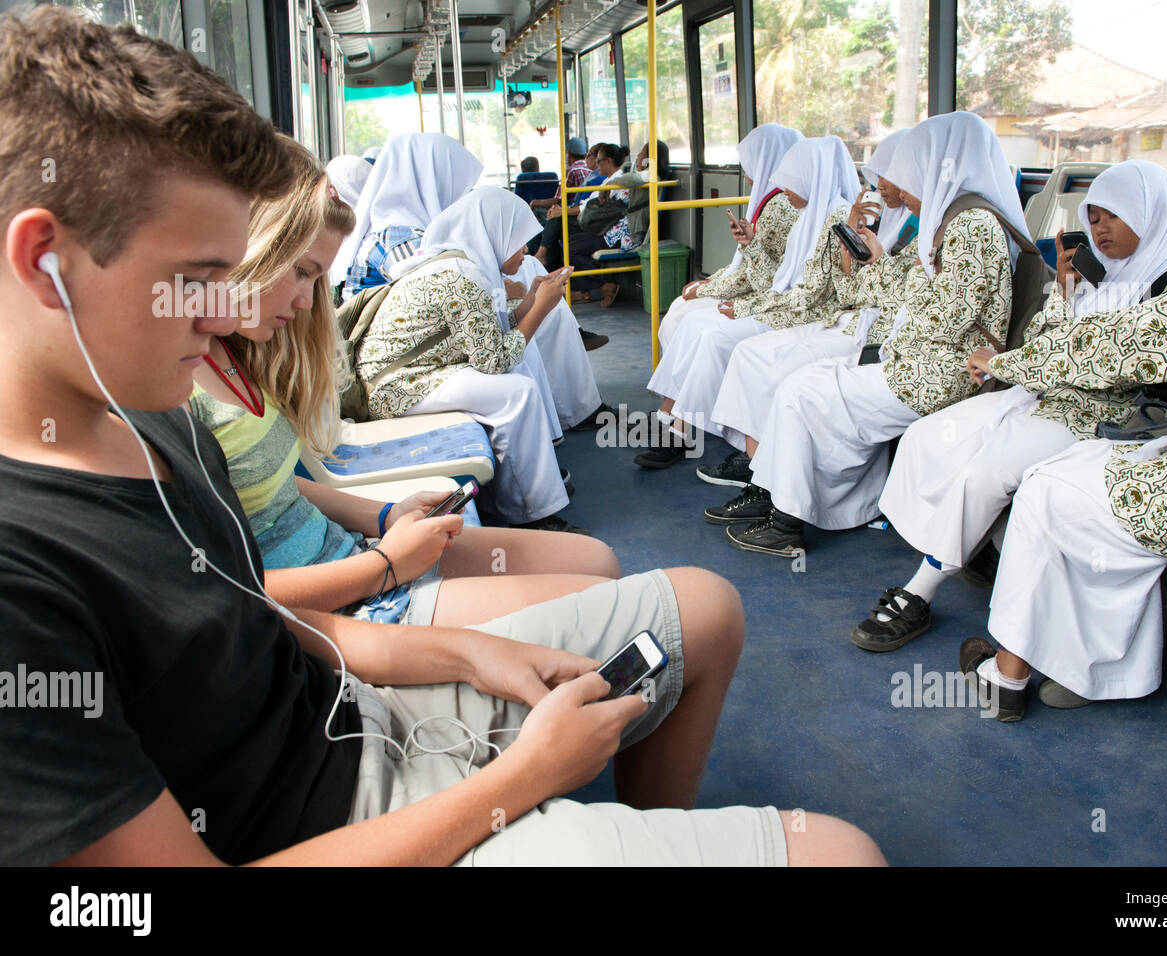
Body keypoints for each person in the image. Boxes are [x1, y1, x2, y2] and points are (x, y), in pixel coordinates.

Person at [0, 7, 884, 868]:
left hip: (364, 708)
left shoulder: (152, 416)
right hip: (338, 820)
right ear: (45, 263)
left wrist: (474, 652)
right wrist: (524, 776)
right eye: (197, 278)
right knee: (842, 853)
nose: (234, 308)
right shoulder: (24, 578)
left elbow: (284, 623)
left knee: (706, 607)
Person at [957, 88, 1167, 722]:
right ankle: (1092, 667)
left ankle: (1007, 673)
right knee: (1074, 487)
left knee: (1044, 491)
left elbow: (1126, 348)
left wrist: (1007, 362)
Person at [192, 138, 622, 630]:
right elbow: (226, 590)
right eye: (304, 273)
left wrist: (385, 517)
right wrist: (386, 564)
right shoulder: (177, 394)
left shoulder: (246, 357)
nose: (311, 303)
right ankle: (532, 506)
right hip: (356, 594)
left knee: (599, 562)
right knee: (624, 600)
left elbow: (275, 491)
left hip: (356, 553)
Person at [856, 159, 1167, 653]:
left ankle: (921, 589)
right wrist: (1064, 291)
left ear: (1148, 216)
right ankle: (973, 548)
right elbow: (1049, 336)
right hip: (1043, 391)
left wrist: (1013, 366)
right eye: (1095, 217)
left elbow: (1107, 366)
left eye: (1114, 217)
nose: (1099, 229)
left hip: (1102, 416)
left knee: (987, 471)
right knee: (930, 435)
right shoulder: (1105, 275)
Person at [712, 111, 1026, 558]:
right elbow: (917, 298)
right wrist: (886, 270)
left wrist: (889, 275)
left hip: (937, 370)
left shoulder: (972, 226)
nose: (892, 186)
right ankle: (791, 503)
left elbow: (945, 319)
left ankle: (786, 521)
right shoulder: (954, 220)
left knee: (801, 392)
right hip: (914, 357)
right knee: (801, 387)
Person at [354, 187, 587, 532]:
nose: (525, 251)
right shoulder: (463, 278)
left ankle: (522, 495)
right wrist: (541, 308)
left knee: (514, 383)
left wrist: (531, 300)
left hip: (404, 376)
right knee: (516, 391)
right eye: (518, 241)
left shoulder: (460, 265)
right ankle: (530, 513)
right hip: (397, 387)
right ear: (495, 236)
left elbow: (487, 334)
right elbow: (494, 360)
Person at [697, 127, 917, 488]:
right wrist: (854, 253)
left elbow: (825, 294)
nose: (882, 189)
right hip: (845, 316)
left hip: (858, 325)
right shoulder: (825, 219)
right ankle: (756, 459)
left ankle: (762, 471)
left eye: (886, 181)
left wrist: (750, 306)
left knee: (766, 363)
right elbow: (846, 289)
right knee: (745, 352)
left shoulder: (872, 222)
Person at [637, 136, 859, 470]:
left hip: (802, 314)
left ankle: (681, 430)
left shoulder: (834, 218)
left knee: (712, 336)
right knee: (698, 327)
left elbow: (810, 295)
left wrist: (744, 307)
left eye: (790, 182)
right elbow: (782, 277)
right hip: (783, 304)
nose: (783, 189)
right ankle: (672, 421)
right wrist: (752, 247)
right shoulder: (809, 216)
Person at [658, 124, 804, 352]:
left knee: (682, 317)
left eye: (749, 166)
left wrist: (708, 287)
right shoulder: (780, 200)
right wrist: (713, 281)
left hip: (767, 294)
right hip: (759, 287)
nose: (747, 177)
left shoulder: (781, 206)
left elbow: (766, 275)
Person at [330, 131, 482, 300]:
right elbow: (443, 300)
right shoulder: (398, 238)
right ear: (434, 183)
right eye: (460, 187)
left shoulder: (397, 226)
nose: (464, 196)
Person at [568, 140, 670, 306]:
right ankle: (601, 285)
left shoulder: (650, 176)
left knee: (572, 248)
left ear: (649, 159)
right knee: (572, 243)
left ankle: (604, 286)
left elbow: (634, 178)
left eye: (641, 154)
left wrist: (609, 185)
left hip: (626, 234)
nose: (637, 157)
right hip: (615, 230)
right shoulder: (642, 176)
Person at [535, 142, 624, 271]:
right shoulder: (607, 180)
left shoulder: (614, 183)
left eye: (599, 162)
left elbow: (592, 206)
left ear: (608, 162)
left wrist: (563, 211)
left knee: (558, 223)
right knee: (554, 227)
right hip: (594, 218)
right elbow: (588, 202)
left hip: (600, 224)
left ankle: (543, 258)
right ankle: (545, 261)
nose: (596, 166)